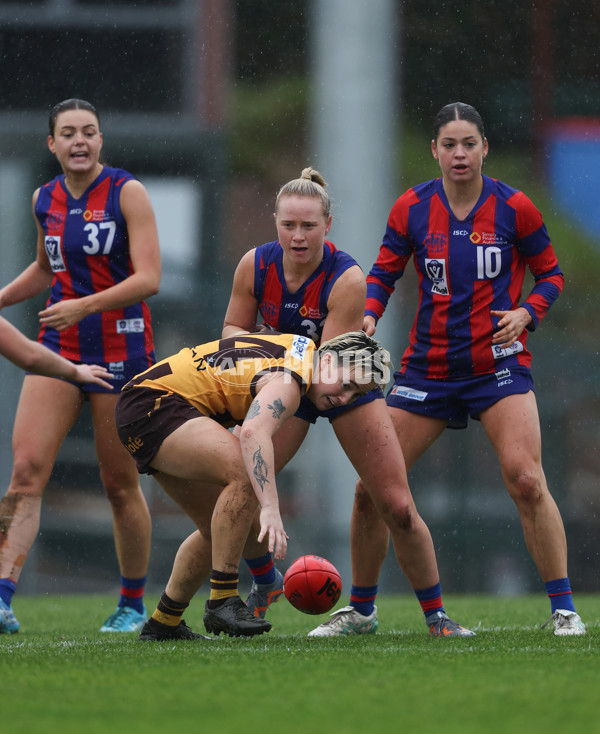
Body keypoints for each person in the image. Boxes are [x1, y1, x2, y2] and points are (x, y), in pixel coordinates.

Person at [145, 168, 474, 641]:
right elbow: (231, 335)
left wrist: (268, 346)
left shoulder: (346, 278)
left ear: (328, 225)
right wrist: (260, 349)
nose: (297, 237)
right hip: (286, 385)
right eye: (288, 226)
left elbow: (330, 372)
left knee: (396, 505)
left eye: (309, 226)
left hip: (337, 384)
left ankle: (433, 616)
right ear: (275, 223)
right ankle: (255, 584)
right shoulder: (253, 265)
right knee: (245, 485)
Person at [329, 101, 586, 638]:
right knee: (369, 490)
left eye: (469, 143)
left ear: (484, 148)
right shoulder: (412, 207)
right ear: (435, 151)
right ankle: (361, 611)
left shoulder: (515, 207)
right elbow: (382, 272)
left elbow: (552, 275)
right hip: (429, 370)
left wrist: (527, 312)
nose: (460, 153)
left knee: (525, 479)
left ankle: (564, 610)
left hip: (498, 367)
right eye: (450, 144)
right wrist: (369, 315)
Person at [0, 98, 161, 635]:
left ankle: (132, 603)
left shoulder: (126, 192)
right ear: (52, 144)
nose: (79, 142)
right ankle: (2, 596)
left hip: (122, 351)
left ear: (100, 140)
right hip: (58, 347)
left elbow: (149, 278)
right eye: (68, 133)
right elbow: (48, 269)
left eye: (89, 132)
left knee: (119, 483)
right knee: (25, 472)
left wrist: (86, 305)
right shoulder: (43, 197)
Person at [115, 330, 390, 639]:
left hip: (144, 405)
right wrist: (270, 508)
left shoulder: (301, 349)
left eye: (354, 396)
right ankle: (222, 600)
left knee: (216, 529)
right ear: (327, 360)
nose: (343, 398)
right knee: (246, 472)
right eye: (347, 384)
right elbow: (252, 433)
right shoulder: (294, 380)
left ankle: (163, 623)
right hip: (156, 403)